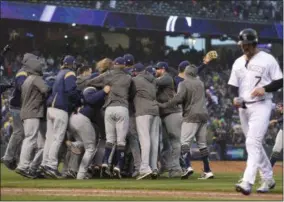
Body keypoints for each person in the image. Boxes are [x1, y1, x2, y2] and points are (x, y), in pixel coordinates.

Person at [228, 28, 283, 195]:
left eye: (247, 44)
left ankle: (247, 181)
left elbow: (280, 81)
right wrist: (234, 98)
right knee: (254, 145)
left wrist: (265, 89)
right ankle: (268, 178)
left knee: (252, 143)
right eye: (242, 44)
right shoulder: (237, 62)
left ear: (254, 43)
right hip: (244, 108)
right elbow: (232, 86)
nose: (244, 47)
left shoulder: (267, 59)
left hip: (262, 105)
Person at [158, 65, 214, 180]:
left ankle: (187, 167)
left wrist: (164, 105)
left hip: (191, 116)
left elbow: (178, 99)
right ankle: (208, 170)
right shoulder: (200, 83)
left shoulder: (183, 84)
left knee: (184, 143)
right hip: (203, 115)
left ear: (186, 73)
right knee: (202, 144)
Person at [87, 57, 132, 179]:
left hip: (109, 109)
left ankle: (105, 162)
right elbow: (132, 93)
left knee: (109, 139)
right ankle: (118, 166)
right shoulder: (128, 78)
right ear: (124, 66)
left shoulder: (107, 75)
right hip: (122, 108)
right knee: (121, 141)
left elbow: (91, 82)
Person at [41, 55, 80, 178]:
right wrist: (78, 102)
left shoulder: (58, 73)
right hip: (60, 109)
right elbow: (71, 91)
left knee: (50, 139)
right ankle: (51, 166)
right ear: (72, 64)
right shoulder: (69, 74)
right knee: (57, 138)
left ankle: (45, 163)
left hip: (50, 109)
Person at [15, 53, 49, 178]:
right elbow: (46, 90)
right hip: (32, 112)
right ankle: (23, 166)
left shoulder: (27, 79)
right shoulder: (36, 78)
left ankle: (32, 167)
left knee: (40, 144)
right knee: (30, 138)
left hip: (27, 112)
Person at [131, 63, 160, 180]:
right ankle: (154, 168)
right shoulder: (152, 80)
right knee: (154, 141)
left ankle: (144, 168)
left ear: (136, 71)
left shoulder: (136, 80)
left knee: (144, 140)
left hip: (143, 111)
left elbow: (130, 94)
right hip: (155, 111)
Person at [155, 61, 183, 178]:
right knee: (165, 144)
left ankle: (176, 168)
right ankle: (166, 166)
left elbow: (152, 81)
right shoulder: (162, 79)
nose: (155, 71)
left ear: (162, 69)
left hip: (173, 113)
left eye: (157, 69)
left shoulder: (166, 78)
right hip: (165, 114)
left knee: (175, 141)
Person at [269, 103, 283, 167]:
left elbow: (279, 120)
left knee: (277, 148)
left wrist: (274, 121)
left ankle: (270, 166)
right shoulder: (280, 114)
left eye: (279, 107)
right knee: (277, 148)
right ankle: (270, 165)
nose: (278, 109)